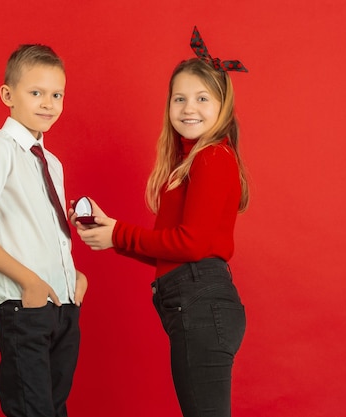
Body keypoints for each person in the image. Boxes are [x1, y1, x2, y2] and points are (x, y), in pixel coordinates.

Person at [71, 27, 248, 417]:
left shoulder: (212, 158)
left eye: (203, 98)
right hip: (196, 302)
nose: (189, 108)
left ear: (223, 107)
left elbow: (191, 245)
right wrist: (113, 237)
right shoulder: (191, 162)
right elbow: (171, 248)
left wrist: (119, 231)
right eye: (179, 98)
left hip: (202, 305)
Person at [0, 44, 87, 417]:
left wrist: (73, 279)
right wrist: (30, 283)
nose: (48, 103)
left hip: (62, 305)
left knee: (55, 407)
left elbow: (40, 229)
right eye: (36, 92)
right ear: (8, 95)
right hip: (24, 304)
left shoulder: (51, 162)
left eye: (56, 94)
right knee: (33, 410)